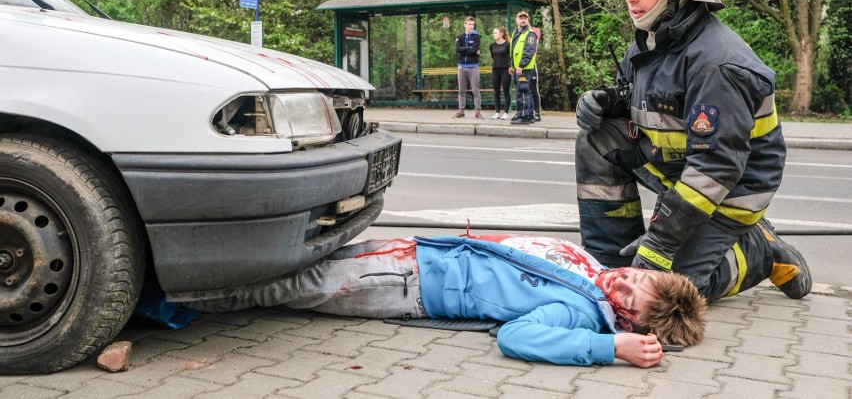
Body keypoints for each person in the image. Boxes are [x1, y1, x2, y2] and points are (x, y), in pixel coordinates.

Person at [574, 0, 811, 303]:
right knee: (596, 137)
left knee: (671, 292)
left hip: (731, 189)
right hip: (681, 171)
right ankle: (611, 266)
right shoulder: (656, 39)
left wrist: (658, 245)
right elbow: (649, 97)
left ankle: (761, 252)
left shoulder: (716, 65)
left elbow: (715, 169)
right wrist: (609, 102)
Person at [188, 233, 707, 368]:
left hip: (407, 285)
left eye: (630, 298)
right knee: (290, 265)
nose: (623, 281)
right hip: (416, 253)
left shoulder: (580, 312)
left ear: (629, 321)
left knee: (284, 286)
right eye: (638, 276)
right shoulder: (591, 270)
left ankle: (170, 298)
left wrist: (610, 348)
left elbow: (515, 337)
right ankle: (187, 276)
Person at [509, 11, 538, 124]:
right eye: (520, 18)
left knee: (523, 91)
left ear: (528, 20)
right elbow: (513, 52)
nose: (523, 20)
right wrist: (512, 66)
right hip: (518, 68)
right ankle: (528, 115)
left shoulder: (530, 34)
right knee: (526, 91)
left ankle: (524, 117)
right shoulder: (516, 33)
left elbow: (529, 51)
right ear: (516, 20)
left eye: (525, 18)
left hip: (524, 68)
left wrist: (521, 65)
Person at [453, 16, 483, 119]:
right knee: (462, 90)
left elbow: (474, 50)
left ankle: (478, 111)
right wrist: (468, 48)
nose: (471, 26)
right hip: (462, 67)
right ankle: (461, 110)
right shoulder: (460, 37)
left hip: (473, 67)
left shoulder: (477, 36)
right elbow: (457, 49)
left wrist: (466, 50)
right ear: (465, 25)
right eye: (469, 24)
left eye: (473, 25)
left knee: (475, 90)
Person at [489, 27, 512, 120]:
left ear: (501, 34)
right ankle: (497, 112)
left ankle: (506, 113)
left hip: (505, 70)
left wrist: (511, 67)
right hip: (495, 70)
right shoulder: (492, 45)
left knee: (506, 91)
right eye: (493, 33)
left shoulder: (508, 45)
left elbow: (511, 57)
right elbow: (493, 56)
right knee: (496, 92)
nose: (493, 34)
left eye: (495, 33)